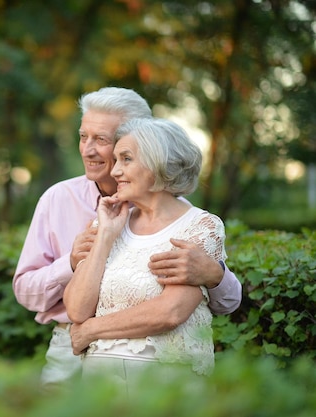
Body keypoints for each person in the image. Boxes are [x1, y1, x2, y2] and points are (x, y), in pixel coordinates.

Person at [12, 87, 241, 390]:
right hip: (71, 346)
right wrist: (70, 262)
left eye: (102, 140)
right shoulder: (59, 199)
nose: (88, 150)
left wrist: (215, 275)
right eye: (83, 137)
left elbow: (207, 304)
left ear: (145, 146)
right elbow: (27, 292)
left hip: (152, 361)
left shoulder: (187, 219)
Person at [63, 117, 222, 392]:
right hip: (100, 381)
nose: (114, 171)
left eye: (126, 159)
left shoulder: (200, 227)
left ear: (157, 163)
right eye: (115, 159)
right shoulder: (107, 222)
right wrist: (105, 237)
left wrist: (90, 330)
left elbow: (170, 311)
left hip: (166, 379)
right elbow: (77, 309)